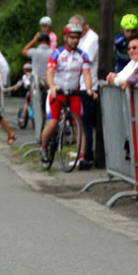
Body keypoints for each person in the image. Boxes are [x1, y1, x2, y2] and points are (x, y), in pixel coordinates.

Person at [40, 23, 93, 165]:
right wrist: (51, 86)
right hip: (58, 93)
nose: (75, 40)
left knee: (78, 125)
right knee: (53, 123)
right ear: (65, 37)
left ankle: (81, 157)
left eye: (77, 38)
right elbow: (50, 72)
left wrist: (88, 89)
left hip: (74, 94)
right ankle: (43, 147)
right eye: (72, 38)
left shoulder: (83, 55)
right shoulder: (57, 53)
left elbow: (87, 74)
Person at [69, 15, 99, 170]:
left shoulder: (92, 39)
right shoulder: (81, 39)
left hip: (87, 86)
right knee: (78, 122)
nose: (74, 32)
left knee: (86, 123)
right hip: (78, 85)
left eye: (77, 28)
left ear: (84, 25)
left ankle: (87, 155)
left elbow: (83, 59)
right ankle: (81, 152)